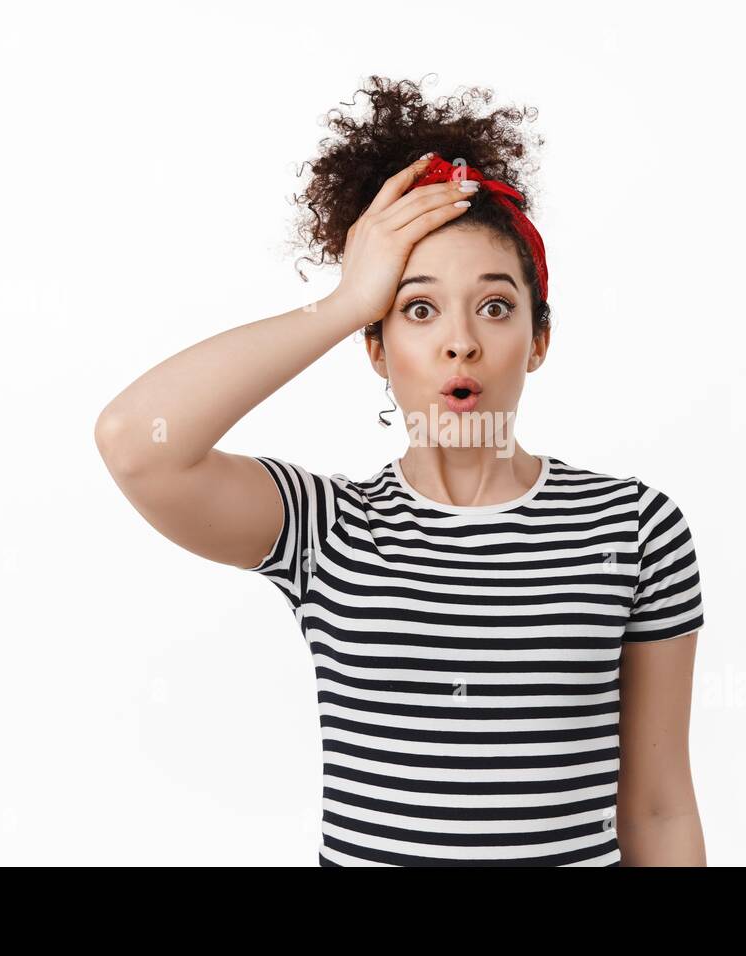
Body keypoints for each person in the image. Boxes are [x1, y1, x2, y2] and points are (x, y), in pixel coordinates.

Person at [95, 76, 707, 866]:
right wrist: (348, 299)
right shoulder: (328, 529)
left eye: (494, 307)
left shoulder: (633, 529)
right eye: (418, 309)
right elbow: (136, 443)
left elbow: (657, 810)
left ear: (539, 338)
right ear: (377, 349)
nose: (460, 342)